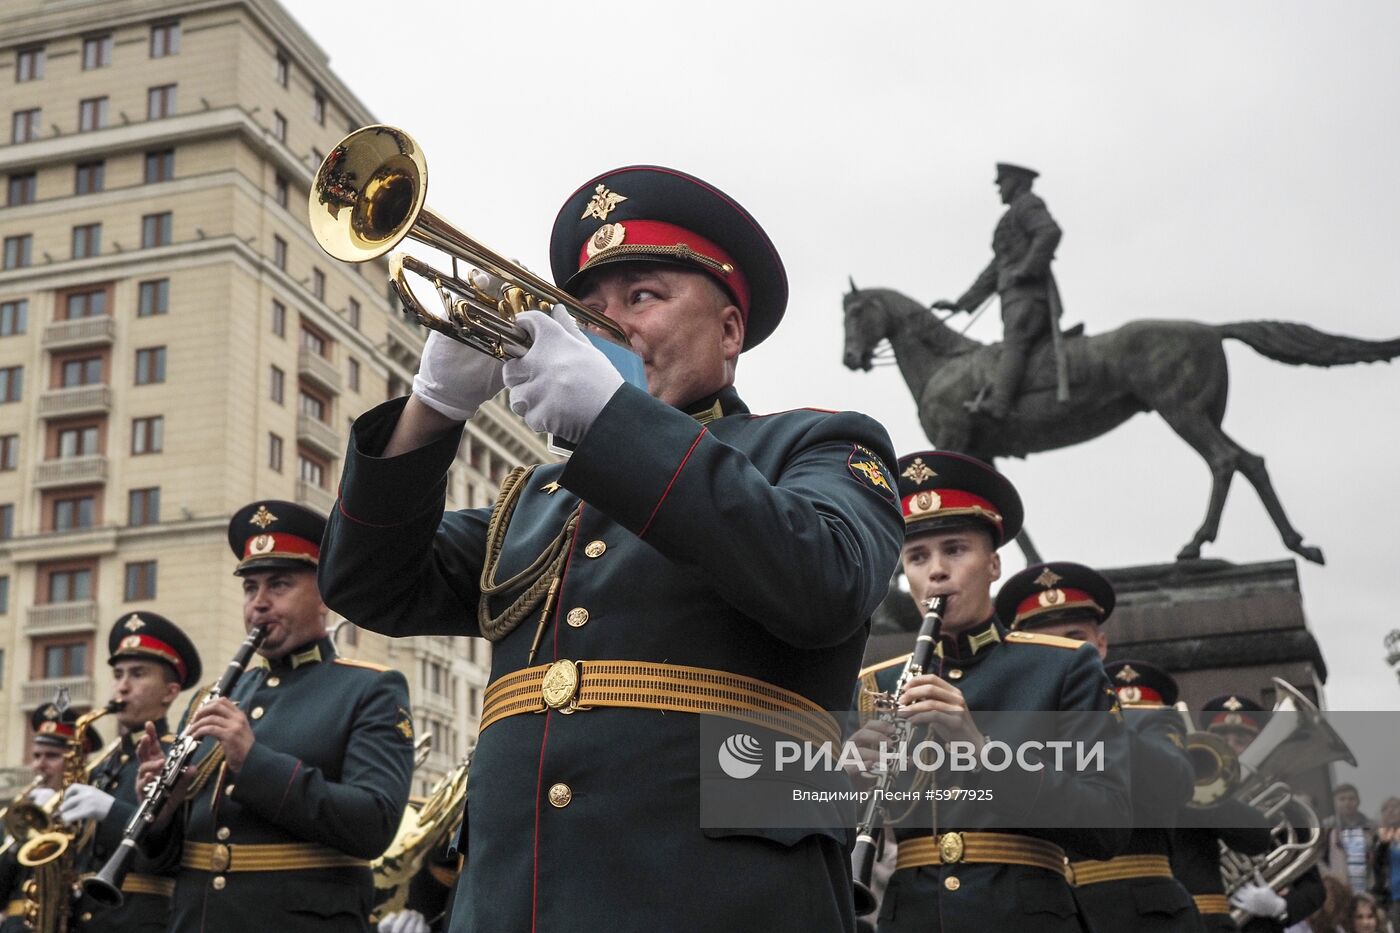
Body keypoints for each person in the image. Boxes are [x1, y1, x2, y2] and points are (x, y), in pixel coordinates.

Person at [318, 166, 904, 933]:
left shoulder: (817, 444)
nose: (611, 326)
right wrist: (432, 410)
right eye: (588, 310)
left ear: (730, 331)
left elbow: (826, 581)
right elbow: (367, 585)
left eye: (643, 297)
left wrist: (611, 418)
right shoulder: (535, 501)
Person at [851, 453, 1129, 932]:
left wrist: (983, 753)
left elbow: (1110, 825)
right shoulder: (875, 684)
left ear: (994, 564)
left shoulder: (1063, 665)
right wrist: (846, 781)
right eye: (917, 557)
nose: (936, 571)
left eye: (955, 549)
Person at [137, 501, 415, 933]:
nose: (259, 604)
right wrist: (163, 815)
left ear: (325, 593)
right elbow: (167, 863)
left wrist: (253, 761)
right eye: (250, 588)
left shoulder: (370, 689)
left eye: (279, 585)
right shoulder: (212, 699)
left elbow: (375, 823)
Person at [995, 560, 1203, 932]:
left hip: (1146, 917)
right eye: (1047, 641)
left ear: (1100, 645)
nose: (1062, 652)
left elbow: (1176, 783)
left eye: (1075, 639)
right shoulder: (1011, 720)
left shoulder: (1144, 715)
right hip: (1049, 911)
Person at [58, 612, 202, 932]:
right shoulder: (104, 765)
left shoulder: (175, 757)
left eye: (138, 674)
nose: (122, 687)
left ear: (169, 692)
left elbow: (174, 849)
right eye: (118, 674)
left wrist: (111, 811)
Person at [932, 162, 1063, 419]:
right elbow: (996, 268)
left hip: (1028, 297)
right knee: (1012, 345)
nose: (998, 188)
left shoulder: (1027, 205)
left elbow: (1049, 232)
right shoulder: (1013, 214)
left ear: (1016, 182)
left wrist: (1027, 268)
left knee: (1015, 343)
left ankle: (1000, 404)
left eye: (1002, 182)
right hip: (1013, 298)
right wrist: (961, 304)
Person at [1170, 694, 1277, 932]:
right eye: (1221, 737)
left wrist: (1281, 906)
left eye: (1241, 740)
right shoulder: (1185, 794)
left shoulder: (1279, 803)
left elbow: (1313, 887)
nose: (1230, 745)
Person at [0, 703, 102, 932]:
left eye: (52, 756)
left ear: (79, 759)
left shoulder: (90, 810)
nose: (39, 765)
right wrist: (19, 838)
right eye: (36, 756)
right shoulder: (22, 812)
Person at [1325, 784, 1380, 894]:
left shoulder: (1372, 826)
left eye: (1351, 799)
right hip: (1340, 888)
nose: (1347, 803)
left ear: (1358, 801)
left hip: (1368, 886)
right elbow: (1319, 859)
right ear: (1334, 802)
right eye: (1342, 799)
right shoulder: (1327, 827)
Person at [1373, 797, 1400, 930]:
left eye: (1396, 807)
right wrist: (1384, 843)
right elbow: (1376, 863)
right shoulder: (1377, 835)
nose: (1392, 811)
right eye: (1387, 809)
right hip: (1392, 896)